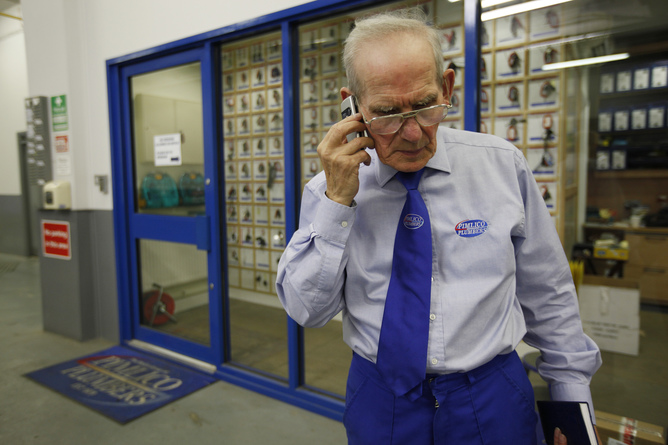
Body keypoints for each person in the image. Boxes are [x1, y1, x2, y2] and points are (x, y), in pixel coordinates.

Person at [276, 9, 601, 445]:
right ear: (352, 105)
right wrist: (338, 202)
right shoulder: (330, 189)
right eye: (387, 113)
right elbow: (307, 310)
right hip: (381, 396)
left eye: (426, 106)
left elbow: (549, 292)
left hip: (493, 390)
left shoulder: (502, 167)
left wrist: (571, 401)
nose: (411, 133)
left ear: (447, 87)